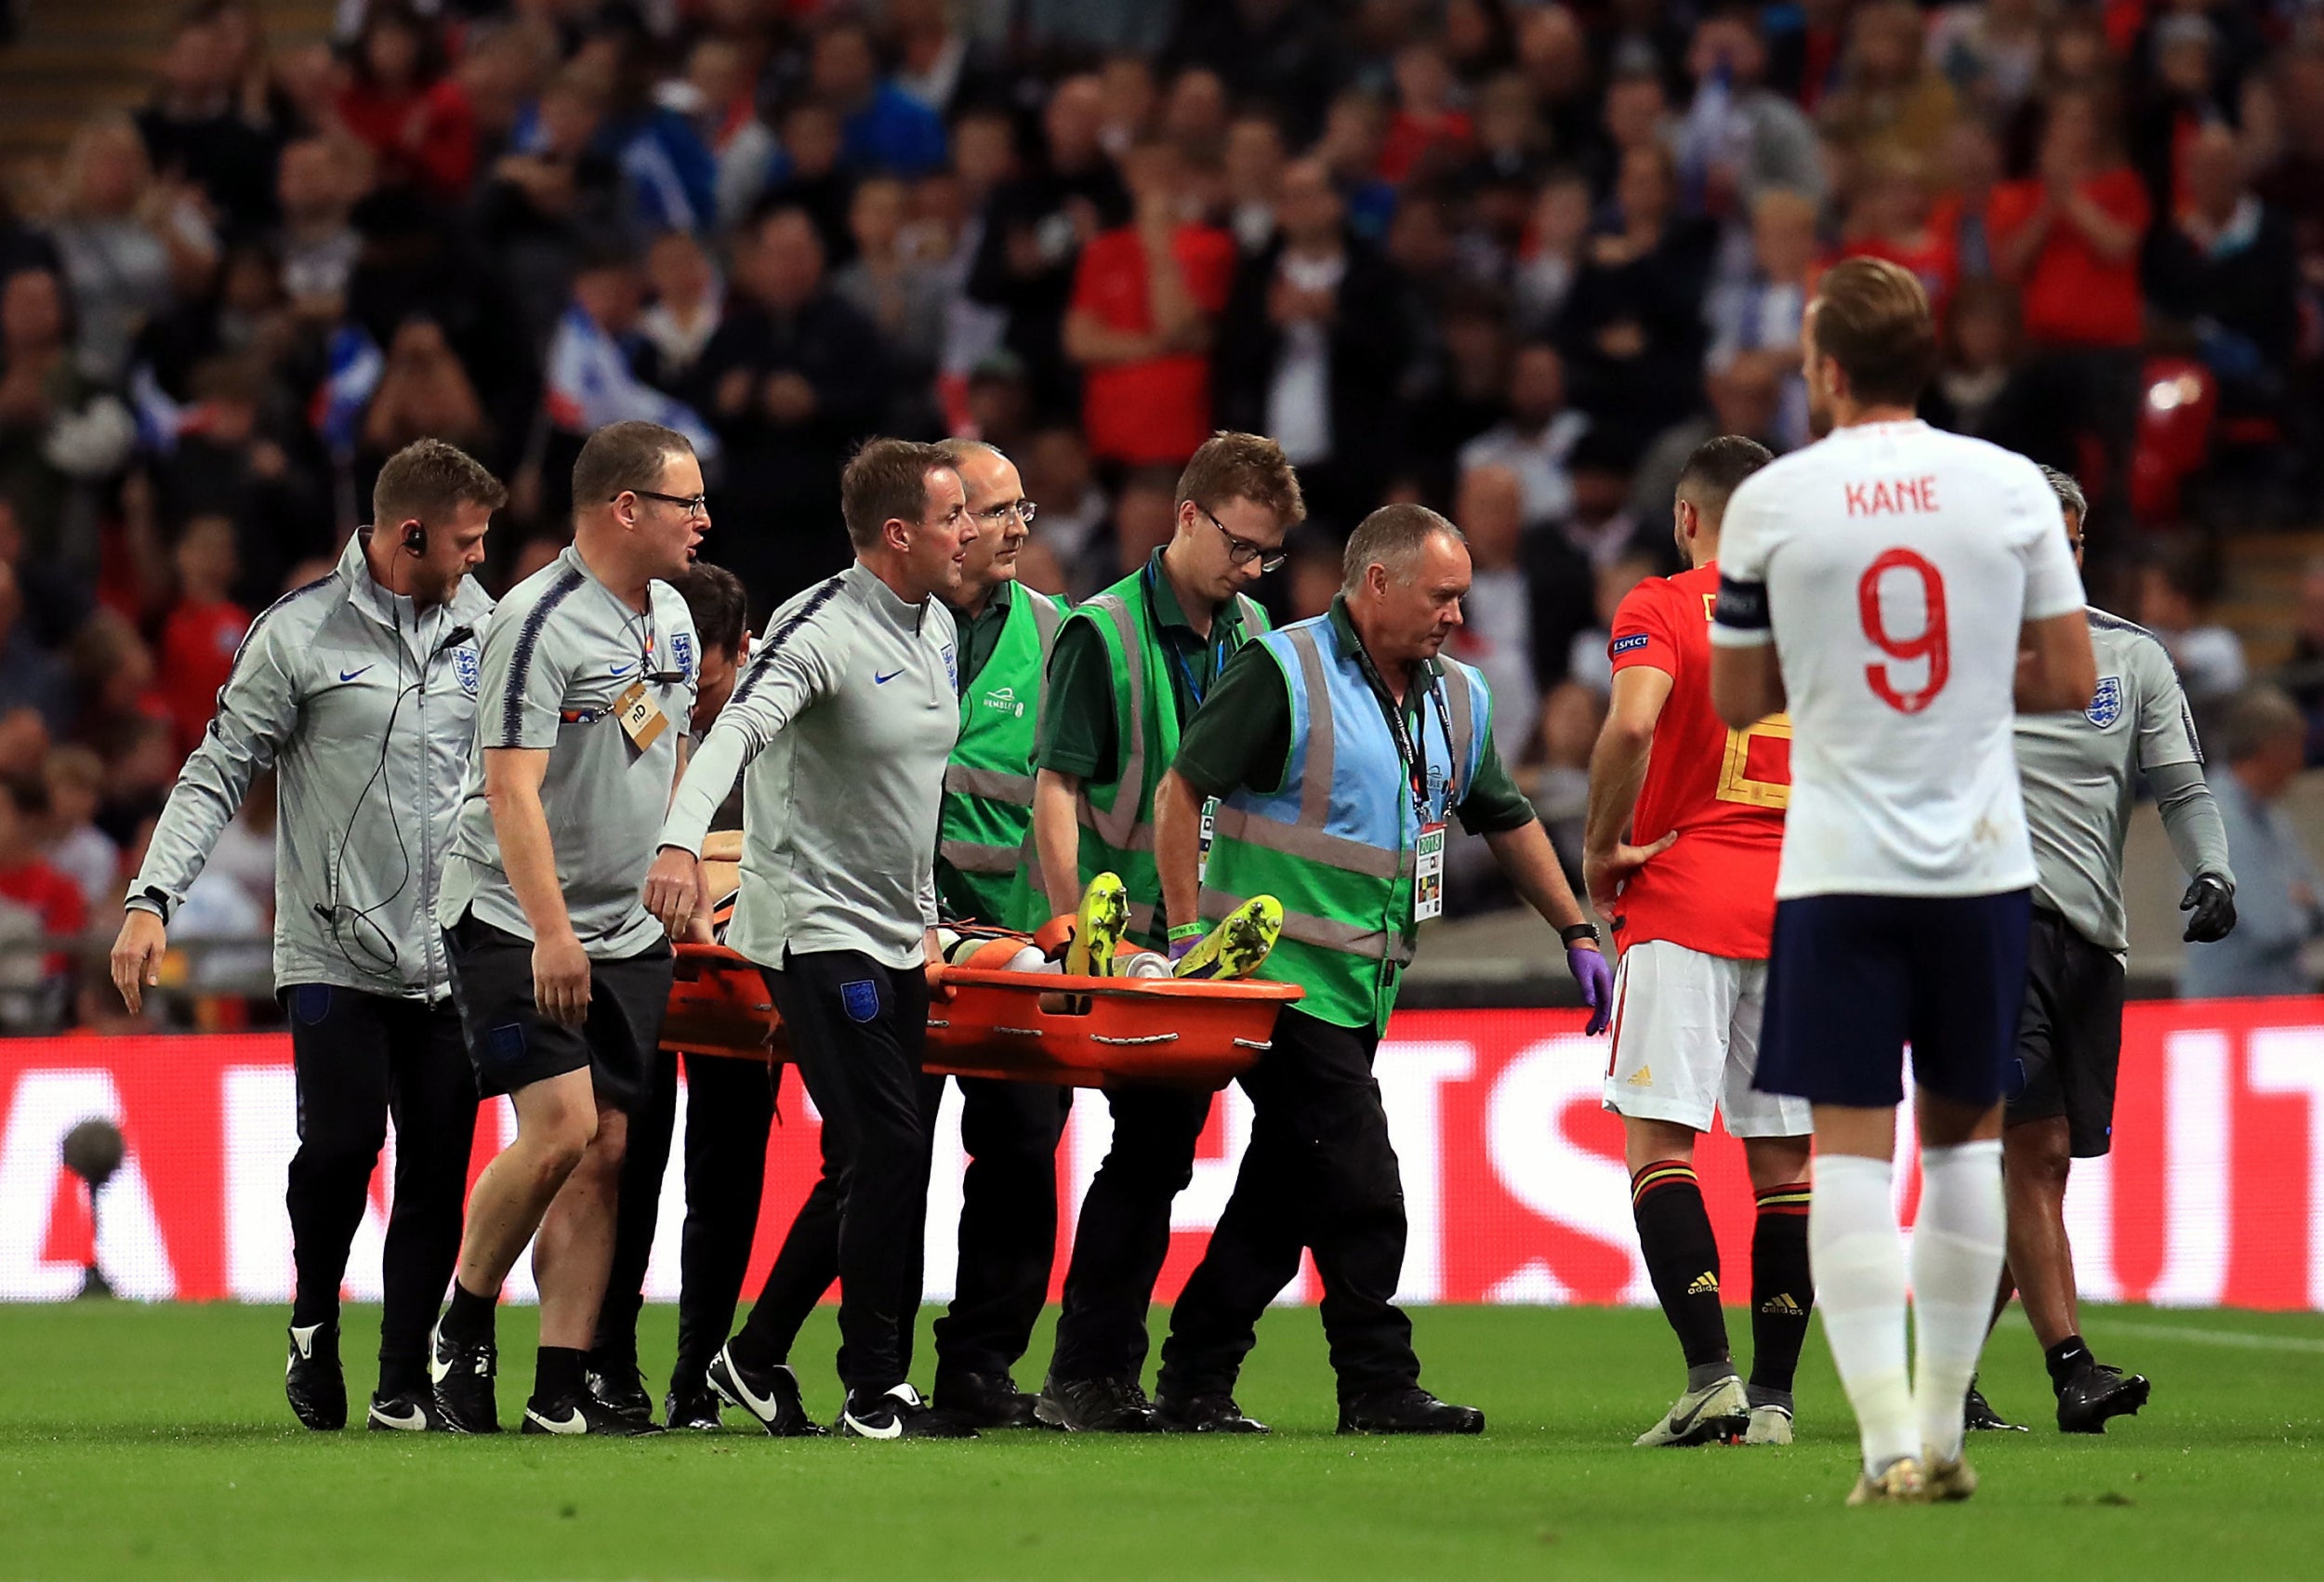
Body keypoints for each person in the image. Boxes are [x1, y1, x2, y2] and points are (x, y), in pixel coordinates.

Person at [1707, 257, 2096, 1505]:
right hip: (1981, 866)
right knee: (1970, 1144)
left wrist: (1833, 685)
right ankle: (1945, 1432)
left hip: (1837, 868)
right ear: (1925, 359)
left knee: (1854, 1159)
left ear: (1824, 368)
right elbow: (2068, 676)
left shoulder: (1772, 503)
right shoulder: (2010, 490)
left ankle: (1883, 1448)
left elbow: (1735, 700)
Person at [1151, 504, 1613, 1434]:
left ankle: (1193, 1377)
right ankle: (1375, 1379)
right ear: (1376, 585)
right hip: (1273, 985)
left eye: (1462, 597)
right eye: (1440, 596)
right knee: (1363, 1182)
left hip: (1365, 989)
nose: (1454, 613)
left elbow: (1507, 814)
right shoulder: (1283, 670)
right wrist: (1187, 939)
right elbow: (1181, 788)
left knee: (1284, 1193)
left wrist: (1575, 928)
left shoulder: (1460, 698)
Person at [110, 439, 503, 1432]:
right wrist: (153, 896)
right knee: (337, 1146)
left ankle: (402, 1378)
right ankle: (314, 1320)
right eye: (465, 541)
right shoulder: (295, 634)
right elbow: (216, 767)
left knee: (436, 1169)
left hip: (452, 952)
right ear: (409, 533)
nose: (478, 560)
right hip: (332, 947)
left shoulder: (488, 629)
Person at [645, 439, 975, 1442]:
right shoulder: (818, 627)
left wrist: (922, 915)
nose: (971, 534)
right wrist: (676, 842)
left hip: (891, 931)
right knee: (887, 1146)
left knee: (870, 1159)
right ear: (898, 533)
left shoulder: (938, 629)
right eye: (955, 516)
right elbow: (735, 734)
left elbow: (913, 794)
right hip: (813, 926)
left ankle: (751, 1355)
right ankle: (875, 1388)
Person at [427, 422, 706, 1437]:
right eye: (687, 502)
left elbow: (667, 749)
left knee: (609, 1148)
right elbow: (509, 790)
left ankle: (559, 1383)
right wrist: (552, 934)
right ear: (625, 507)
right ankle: (462, 1320)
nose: (704, 521)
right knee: (561, 1131)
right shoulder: (535, 620)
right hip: (512, 914)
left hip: (625, 928)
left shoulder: (671, 616)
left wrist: (675, 854)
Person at [1024, 431, 1302, 1432]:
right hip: (1134, 938)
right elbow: (1055, 785)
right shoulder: (1103, 633)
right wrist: (1071, 923)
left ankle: (1129, 1375)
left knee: (1189, 1151)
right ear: (1187, 517)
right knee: (1151, 1155)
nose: (1250, 568)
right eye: (1239, 545)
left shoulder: (1258, 630)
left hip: (1220, 941)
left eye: (1266, 553)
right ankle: (1097, 1376)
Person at [1966, 466, 2236, 1437]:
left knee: (2042, 1167)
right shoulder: (1951, 656)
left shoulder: (2132, 658)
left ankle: (1945, 1373)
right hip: (1986, 930)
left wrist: (2212, 872)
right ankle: (2071, 1368)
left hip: (2094, 940)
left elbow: (2181, 787)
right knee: (2029, 1152)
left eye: (2065, 538)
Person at [1582, 434, 1816, 1450]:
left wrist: (1601, 845)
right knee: (1785, 1162)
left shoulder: (1664, 603)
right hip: (1801, 911)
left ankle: (1707, 1376)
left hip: (1682, 895)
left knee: (1660, 1142)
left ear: (1686, 518)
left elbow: (1633, 726)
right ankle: (1772, 1399)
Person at [587, 562, 780, 1433]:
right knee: (632, 1161)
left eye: (705, 683)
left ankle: (697, 1371)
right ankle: (608, 1362)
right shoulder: (639, 702)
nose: (689, 703)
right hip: (639, 963)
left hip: (740, 969)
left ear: (745, 649)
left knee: (728, 1173)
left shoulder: (781, 712)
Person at [924, 438, 1073, 1429]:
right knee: (875, 1159)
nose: (1020, 526)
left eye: (1026, 507)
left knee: (1023, 1150)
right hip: (893, 938)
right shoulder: (873, 626)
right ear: (943, 520)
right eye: (999, 507)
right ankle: (876, 1366)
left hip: (1014, 948)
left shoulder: (1057, 636)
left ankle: (979, 1366)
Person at [2182, 686, 2323, 1000]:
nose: (2300, 761)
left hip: (2278, 1003)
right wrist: (2303, 903)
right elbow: (2271, 925)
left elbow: (2313, 894)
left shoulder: (2271, 817)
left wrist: (2303, 899)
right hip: (2228, 1010)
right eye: (2296, 746)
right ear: (2272, 748)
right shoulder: (2216, 818)